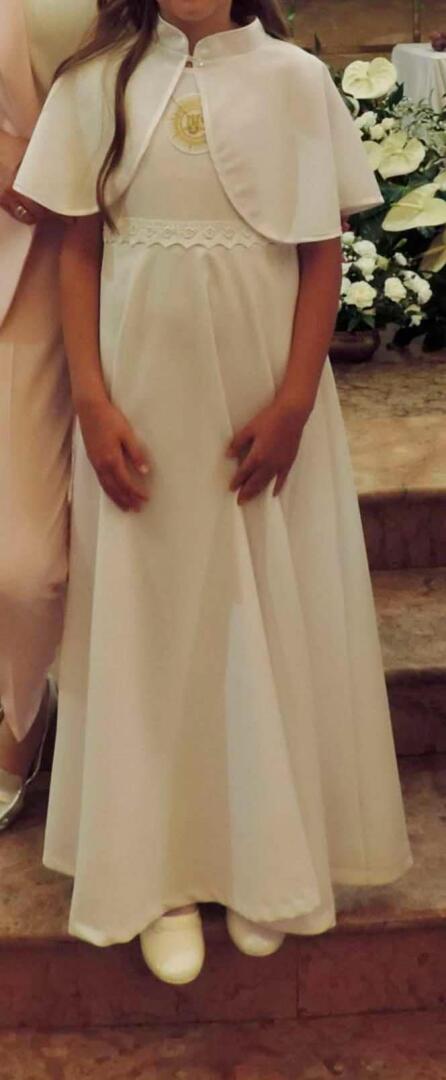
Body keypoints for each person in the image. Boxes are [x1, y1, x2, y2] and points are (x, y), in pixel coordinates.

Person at [15, 0, 412, 985]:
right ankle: (159, 877)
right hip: (143, 412)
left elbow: (319, 252)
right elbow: (77, 250)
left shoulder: (294, 82)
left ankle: (261, 863)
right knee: (154, 627)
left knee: (259, 616)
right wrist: (92, 401)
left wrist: (293, 402)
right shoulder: (94, 84)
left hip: (257, 410)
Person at [0, 0, 96, 831]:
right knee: (24, 564)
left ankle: (25, 720)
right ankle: (22, 717)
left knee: (33, 568)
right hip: (15, 256)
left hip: (140, 261)